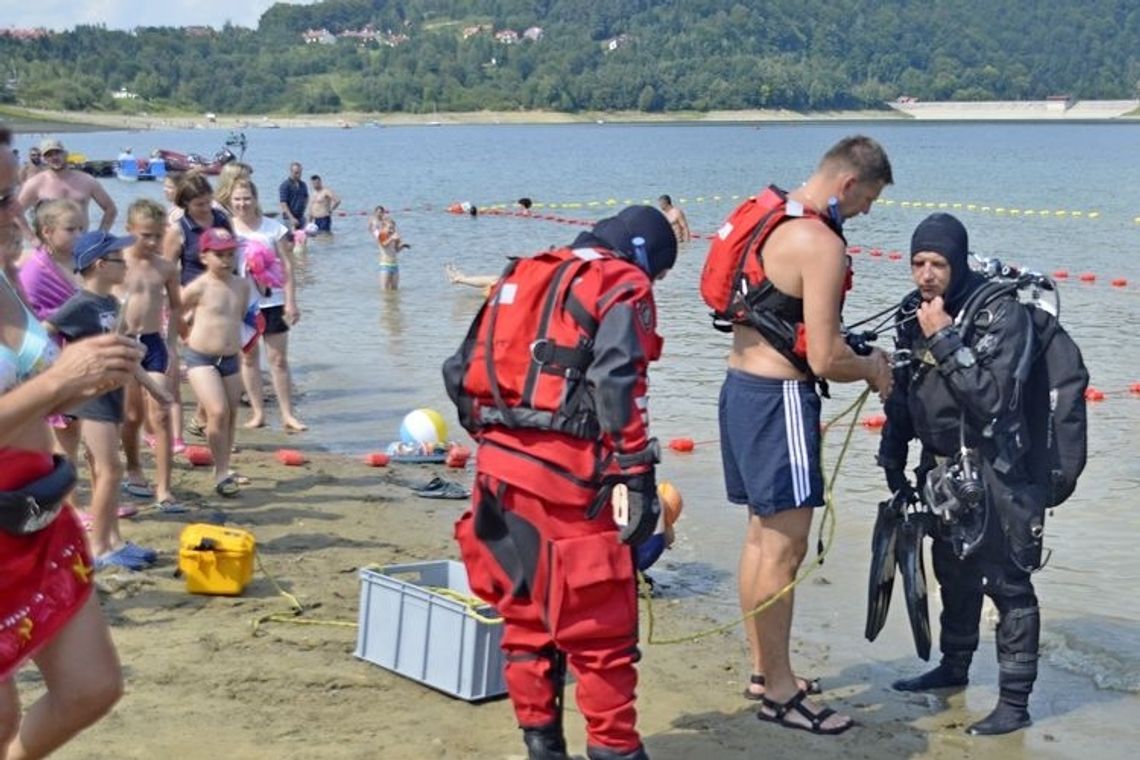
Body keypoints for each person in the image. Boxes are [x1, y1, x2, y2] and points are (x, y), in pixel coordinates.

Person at [450, 205, 677, 760]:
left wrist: (502, 442)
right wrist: (634, 472)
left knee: (525, 617)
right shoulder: (620, 281)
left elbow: (460, 373)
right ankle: (614, 749)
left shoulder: (522, 271)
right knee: (602, 631)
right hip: (570, 482)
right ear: (645, 256)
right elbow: (620, 378)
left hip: (498, 476)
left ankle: (542, 746)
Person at [721, 135, 893, 735]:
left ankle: (764, 671)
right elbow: (823, 358)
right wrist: (874, 369)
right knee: (785, 549)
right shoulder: (821, 243)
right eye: (869, 200)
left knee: (758, 541)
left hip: (738, 392)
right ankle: (783, 694)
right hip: (780, 403)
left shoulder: (770, 218)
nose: (867, 212)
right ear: (848, 185)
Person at [877, 213, 1047, 736]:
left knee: (1007, 584)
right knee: (952, 570)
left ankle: (1014, 705)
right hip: (943, 467)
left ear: (958, 261)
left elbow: (994, 401)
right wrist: (892, 454)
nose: (927, 275)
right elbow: (905, 393)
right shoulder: (915, 313)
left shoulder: (1000, 314)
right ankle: (953, 671)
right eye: (918, 263)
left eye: (938, 264)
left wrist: (946, 338)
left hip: (1001, 471)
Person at [1, 146, 138, 754]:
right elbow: (41, 387)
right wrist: (59, 383)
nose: (16, 213)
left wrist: (88, 373)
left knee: (92, 687)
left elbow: (28, 380)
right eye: (4, 198)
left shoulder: (3, 275)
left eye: (14, 191)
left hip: (36, 509)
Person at [46, 230, 169, 571]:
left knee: (106, 471)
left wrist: (154, 387)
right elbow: (43, 334)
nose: (127, 265)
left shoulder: (111, 304)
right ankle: (99, 548)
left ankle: (113, 539)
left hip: (111, 393)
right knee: (110, 469)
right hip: (90, 398)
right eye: (120, 260)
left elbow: (125, 352)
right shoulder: (80, 304)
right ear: (100, 265)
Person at [118, 199, 187, 513]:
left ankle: (164, 488)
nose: (152, 242)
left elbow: (176, 307)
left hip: (153, 344)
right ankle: (133, 469)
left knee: (159, 414)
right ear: (128, 230)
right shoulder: (116, 261)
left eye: (158, 236)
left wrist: (171, 343)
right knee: (131, 416)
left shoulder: (165, 267)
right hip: (124, 344)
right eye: (145, 235)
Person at [226, 179, 305, 432]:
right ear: (230, 200)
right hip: (243, 304)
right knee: (248, 359)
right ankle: (258, 413)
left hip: (274, 301)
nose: (242, 203)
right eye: (237, 199)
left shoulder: (274, 229)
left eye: (247, 198)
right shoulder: (227, 230)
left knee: (278, 360)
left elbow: (288, 266)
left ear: (256, 198)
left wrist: (291, 301)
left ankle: (287, 415)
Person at [179, 228, 254, 498]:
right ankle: (221, 471)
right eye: (219, 255)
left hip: (231, 359)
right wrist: (184, 334)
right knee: (218, 411)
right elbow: (175, 309)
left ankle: (223, 467)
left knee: (231, 415)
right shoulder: (199, 286)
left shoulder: (242, 285)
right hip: (200, 358)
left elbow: (240, 315)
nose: (226, 260)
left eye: (231, 255)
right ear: (204, 256)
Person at [17, 138, 117, 234]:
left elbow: (110, 209)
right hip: (48, 246)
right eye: (49, 155)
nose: (54, 157)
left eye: (57, 153)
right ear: (44, 159)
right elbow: (15, 212)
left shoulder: (87, 180)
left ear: (66, 154)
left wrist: (100, 235)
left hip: (80, 245)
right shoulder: (36, 183)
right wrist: (32, 239)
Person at [370, 206, 410, 290]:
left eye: (393, 228)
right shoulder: (382, 235)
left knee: (395, 289)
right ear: (384, 227)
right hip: (385, 265)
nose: (391, 230)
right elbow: (383, 245)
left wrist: (403, 246)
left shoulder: (394, 236)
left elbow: (396, 250)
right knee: (384, 290)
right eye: (389, 228)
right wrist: (392, 238)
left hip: (395, 265)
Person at [277, 162, 308, 235]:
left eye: (300, 173)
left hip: (301, 218)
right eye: (296, 173)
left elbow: (306, 197)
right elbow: (283, 203)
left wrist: (304, 210)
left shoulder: (303, 184)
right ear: (291, 172)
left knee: (301, 241)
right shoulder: (285, 185)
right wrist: (291, 218)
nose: (299, 175)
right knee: (290, 242)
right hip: (289, 219)